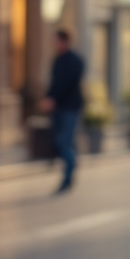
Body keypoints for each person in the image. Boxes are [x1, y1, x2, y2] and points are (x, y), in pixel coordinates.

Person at [42, 29, 85, 194]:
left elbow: (67, 84)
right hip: (59, 107)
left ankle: (69, 172)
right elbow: (54, 83)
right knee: (62, 141)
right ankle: (70, 167)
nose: (55, 44)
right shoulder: (57, 60)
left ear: (65, 41)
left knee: (65, 141)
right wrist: (48, 97)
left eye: (57, 41)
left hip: (70, 107)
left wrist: (53, 98)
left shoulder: (76, 61)